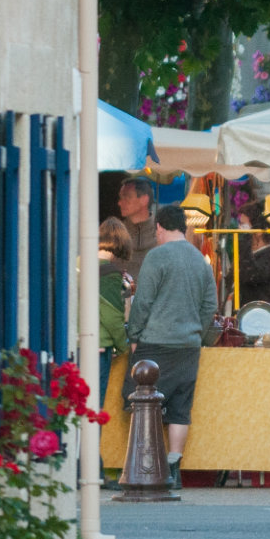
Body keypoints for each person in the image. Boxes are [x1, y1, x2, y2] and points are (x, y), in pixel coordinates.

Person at [124, 203, 217, 487]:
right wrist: (196, 334)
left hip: (155, 343)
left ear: (160, 228)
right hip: (188, 345)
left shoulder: (157, 256)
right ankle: (173, 469)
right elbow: (210, 304)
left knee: (140, 403)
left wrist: (135, 335)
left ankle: (145, 466)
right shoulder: (200, 259)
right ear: (184, 228)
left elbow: (143, 302)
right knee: (180, 408)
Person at [97, 217, 133, 414]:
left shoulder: (77, 263)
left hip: (75, 345)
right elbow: (113, 316)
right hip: (100, 346)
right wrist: (122, 346)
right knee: (95, 409)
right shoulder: (110, 273)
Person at [117, 176, 158, 277]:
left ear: (144, 200)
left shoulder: (162, 233)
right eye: (121, 197)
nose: (120, 203)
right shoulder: (115, 235)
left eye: (127, 197)